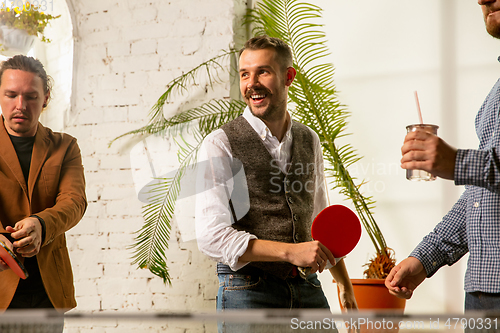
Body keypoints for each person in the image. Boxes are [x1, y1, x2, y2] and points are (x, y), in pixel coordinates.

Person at [195, 35, 357, 328]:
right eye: (245, 74)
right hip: (248, 290)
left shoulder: (309, 139)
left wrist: (344, 284)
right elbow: (211, 235)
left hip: (307, 290)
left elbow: (319, 218)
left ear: (288, 76)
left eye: (263, 72)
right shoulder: (220, 143)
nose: (251, 83)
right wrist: (290, 252)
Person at [385, 0, 500, 311]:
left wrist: (458, 162)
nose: (481, 0)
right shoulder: (496, 93)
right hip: (481, 291)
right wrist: (424, 257)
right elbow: (482, 198)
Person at [0, 55, 87, 324]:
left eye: (31, 96)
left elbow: (74, 202)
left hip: (47, 291)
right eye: (11, 95)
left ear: (46, 97)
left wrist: (41, 224)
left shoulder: (66, 146)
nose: (20, 106)